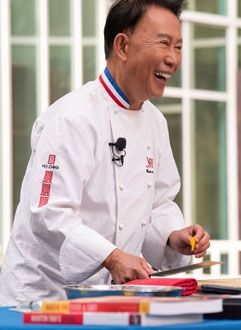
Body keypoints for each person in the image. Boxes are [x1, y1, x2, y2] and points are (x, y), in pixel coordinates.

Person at [0, 0, 210, 305]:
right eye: (164, 43)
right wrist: (110, 256)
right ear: (122, 46)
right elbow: (48, 212)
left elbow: (157, 204)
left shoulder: (155, 122)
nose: (173, 59)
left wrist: (173, 235)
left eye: (178, 47)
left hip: (104, 295)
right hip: (40, 295)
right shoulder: (72, 118)